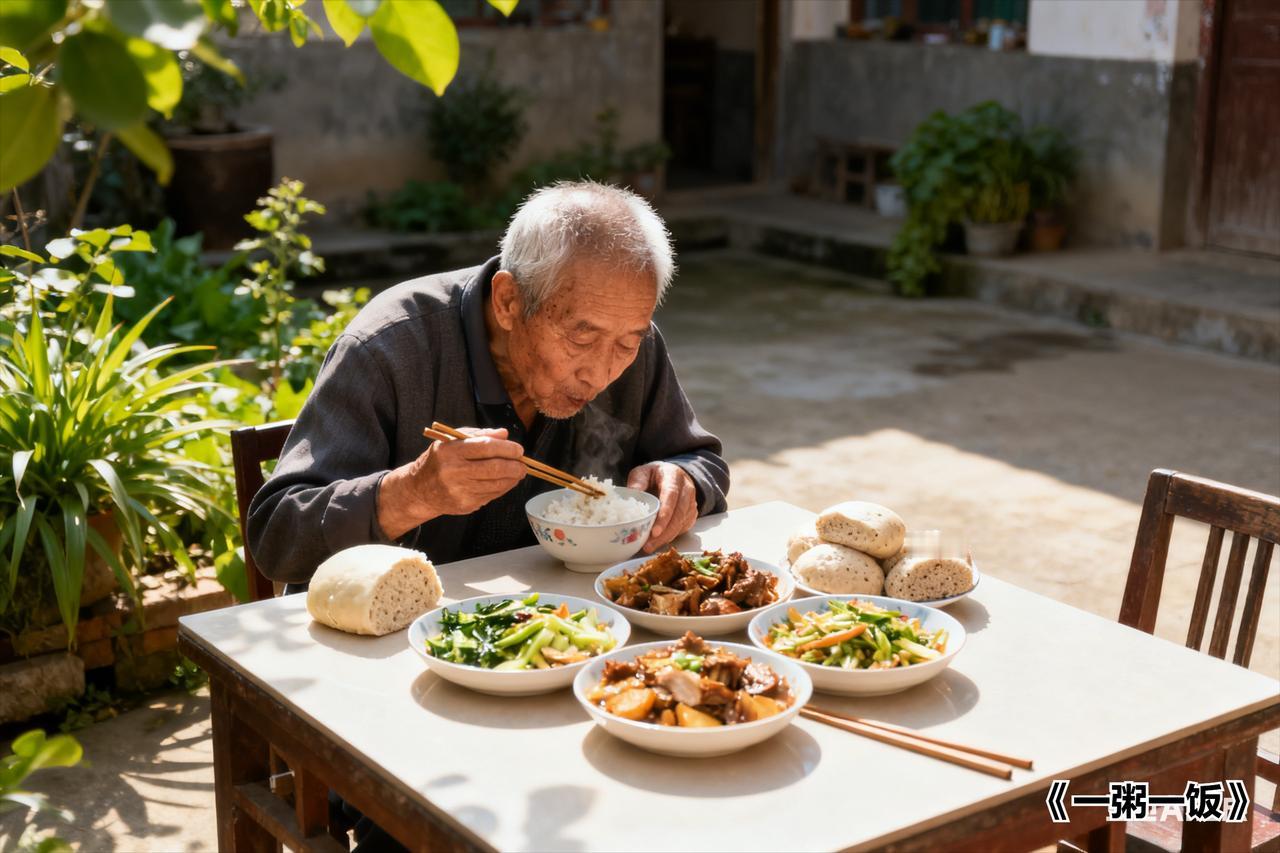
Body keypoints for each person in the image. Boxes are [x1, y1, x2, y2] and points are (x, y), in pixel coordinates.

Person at [247, 181, 730, 584]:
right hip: (399, 634)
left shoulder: (633, 340)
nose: (601, 373)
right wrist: (412, 493)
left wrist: (684, 482)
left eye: (625, 343)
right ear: (508, 302)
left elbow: (699, 460)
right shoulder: (389, 348)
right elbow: (277, 536)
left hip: (571, 624)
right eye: (581, 337)